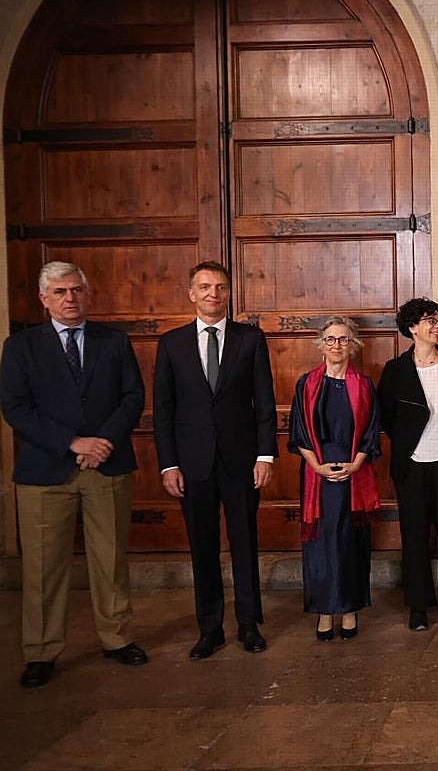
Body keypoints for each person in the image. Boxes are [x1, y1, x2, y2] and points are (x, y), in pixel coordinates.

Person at [0, 261, 147, 688]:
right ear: (44, 299)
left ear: (88, 294)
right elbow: (16, 408)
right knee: (44, 567)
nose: (70, 299)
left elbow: (132, 397)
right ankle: (41, 651)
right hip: (45, 471)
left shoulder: (114, 342)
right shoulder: (22, 347)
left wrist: (101, 442)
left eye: (77, 290)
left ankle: (116, 638)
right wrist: (72, 442)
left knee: (111, 559)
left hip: (108, 466)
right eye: (61, 292)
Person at [154, 260, 278, 659]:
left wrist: (265, 454)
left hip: (242, 462)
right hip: (192, 465)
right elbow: (164, 410)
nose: (213, 294)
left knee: (245, 543)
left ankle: (248, 623)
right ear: (191, 294)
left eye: (220, 287)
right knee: (202, 548)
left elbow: (264, 402)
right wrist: (168, 464)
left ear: (229, 293)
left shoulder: (250, 339)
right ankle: (209, 630)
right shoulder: (171, 344)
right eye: (205, 287)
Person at [377, 298, 438, 631]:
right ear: (412, 327)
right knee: (415, 535)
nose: (436, 326)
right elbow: (387, 417)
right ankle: (418, 607)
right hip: (413, 463)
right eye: (429, 320)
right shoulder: (396, 370)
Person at [288, 317, 382, 641]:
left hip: (353, 475)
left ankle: (351, 608)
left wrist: (355, 465)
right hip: (318, 476)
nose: (337, 345)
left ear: (353, 345)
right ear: (321, 344)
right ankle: (325, 611)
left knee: (350, 544)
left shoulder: (365, 385)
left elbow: (371, 432)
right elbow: (298, 432)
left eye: (343, 339)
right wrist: (317, 465)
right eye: (330, 339)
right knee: (321, 545)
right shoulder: (307, 384)